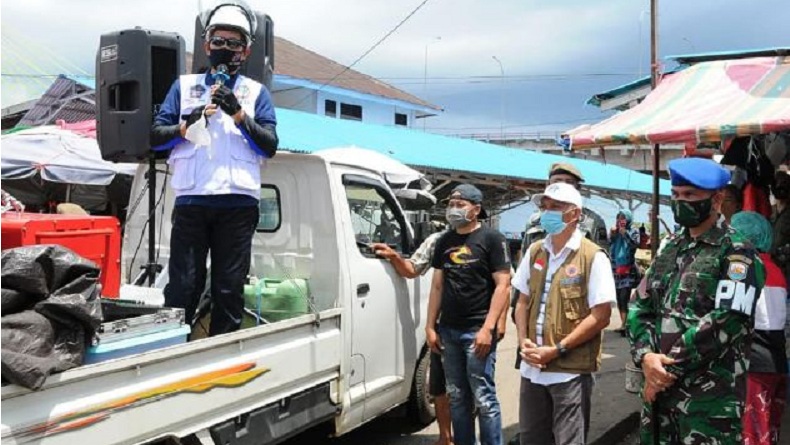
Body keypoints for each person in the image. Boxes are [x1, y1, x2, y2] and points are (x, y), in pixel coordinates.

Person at [150, 2, 278, 336]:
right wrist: (187, 125)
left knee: (228, 289)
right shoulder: (184, 86)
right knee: (183, 287)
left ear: (246, 51)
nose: (224, 49)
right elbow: (155, 138)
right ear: (206, 46)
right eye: (218, 41)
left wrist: (238, 114)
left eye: (233, 44)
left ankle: (222, 360)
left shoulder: (256, 93)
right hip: (193, 200)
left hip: (238, 204)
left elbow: (270, 145)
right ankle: (170, 352)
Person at [628, 157, 765, 444]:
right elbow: (640, 305)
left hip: (708, 405)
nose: (680, 202)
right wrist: (645, 356)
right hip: (659, 401)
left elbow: (728, 320)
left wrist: (664, 370)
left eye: (690, 195)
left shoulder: (737, 252)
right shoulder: (670, 249)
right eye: (676, 195)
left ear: (716, 200)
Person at [512, 182, 614, 445]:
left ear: (575, 214)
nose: (548, 212)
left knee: (568, 440)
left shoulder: (592, 257)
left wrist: (556, 349)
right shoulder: (536, 251)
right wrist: (523, 340)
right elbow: (522, 301)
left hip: (569, 371)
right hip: (532, 368)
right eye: (545, 207)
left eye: (556, 207)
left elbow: (601, 316)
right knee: (531, 439)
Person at [426, 184, 511, 445]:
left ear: (476, 209)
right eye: (452, 203)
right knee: (458, 396)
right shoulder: (444, 241)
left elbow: (503, 285)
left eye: (460, 204)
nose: (454, 208)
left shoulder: (492, 239)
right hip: (449, 331)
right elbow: (438, 285)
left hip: (477, 332)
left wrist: (488, 328)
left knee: (484, 398)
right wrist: (430, 326)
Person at [730, 211, 788, 445]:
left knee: (751, 433)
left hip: (754, 361)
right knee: (766, 428)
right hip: (775, 361)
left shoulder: (747, 269)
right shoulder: (775, 269)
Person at [609, 209, 640, 335]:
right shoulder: (615, 231)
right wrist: (613, 234)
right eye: (619, 218)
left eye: (623, 218)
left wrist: (625, 234)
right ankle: (623, 324)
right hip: (616, 269)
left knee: (624, 297)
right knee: (619, 298)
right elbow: (609, 243)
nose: (621, 220)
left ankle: (626, 325)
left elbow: (634, 245)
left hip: (628, 269)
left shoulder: (633, 231)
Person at [771, 169, 790, 285]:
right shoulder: (770, 211)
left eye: (784, 183)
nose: (780, 186)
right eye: (778, 183)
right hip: (772, 266)